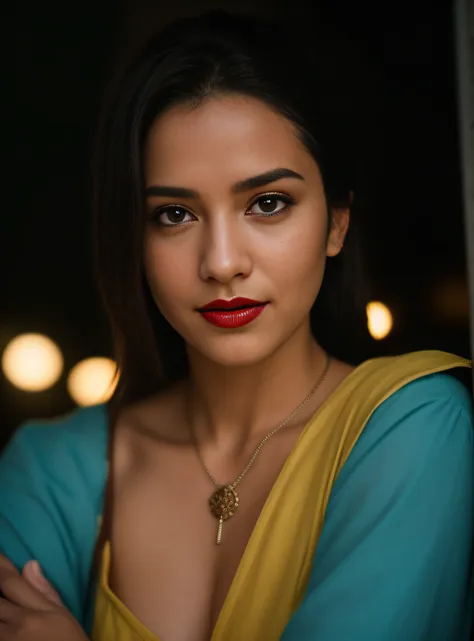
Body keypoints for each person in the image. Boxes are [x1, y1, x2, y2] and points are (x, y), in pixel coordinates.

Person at [1, 9, 473, 641]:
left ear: (336, 222)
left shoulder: (416, 427)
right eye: (174, 214)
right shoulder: (50, 467)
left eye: (267, 203)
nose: (222, 262)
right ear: (132, 239)